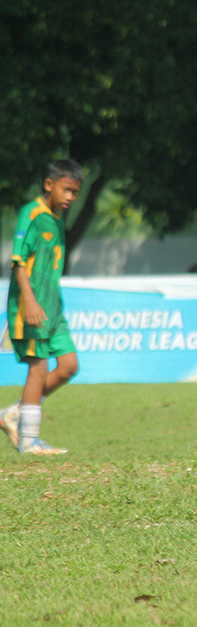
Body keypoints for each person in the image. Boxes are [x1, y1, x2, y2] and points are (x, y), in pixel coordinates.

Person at [0, 159, 83, 455]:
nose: (71, 197)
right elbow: (19, 263)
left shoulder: (58, 218)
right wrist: (31, 302)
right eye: (67, 189)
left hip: (53, 308)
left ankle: (15, 413)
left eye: (76, 192)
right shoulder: (31, 214)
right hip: (30, 306)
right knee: (38, 367)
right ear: (50, 185)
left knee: (69, 366)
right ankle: (29, 440)